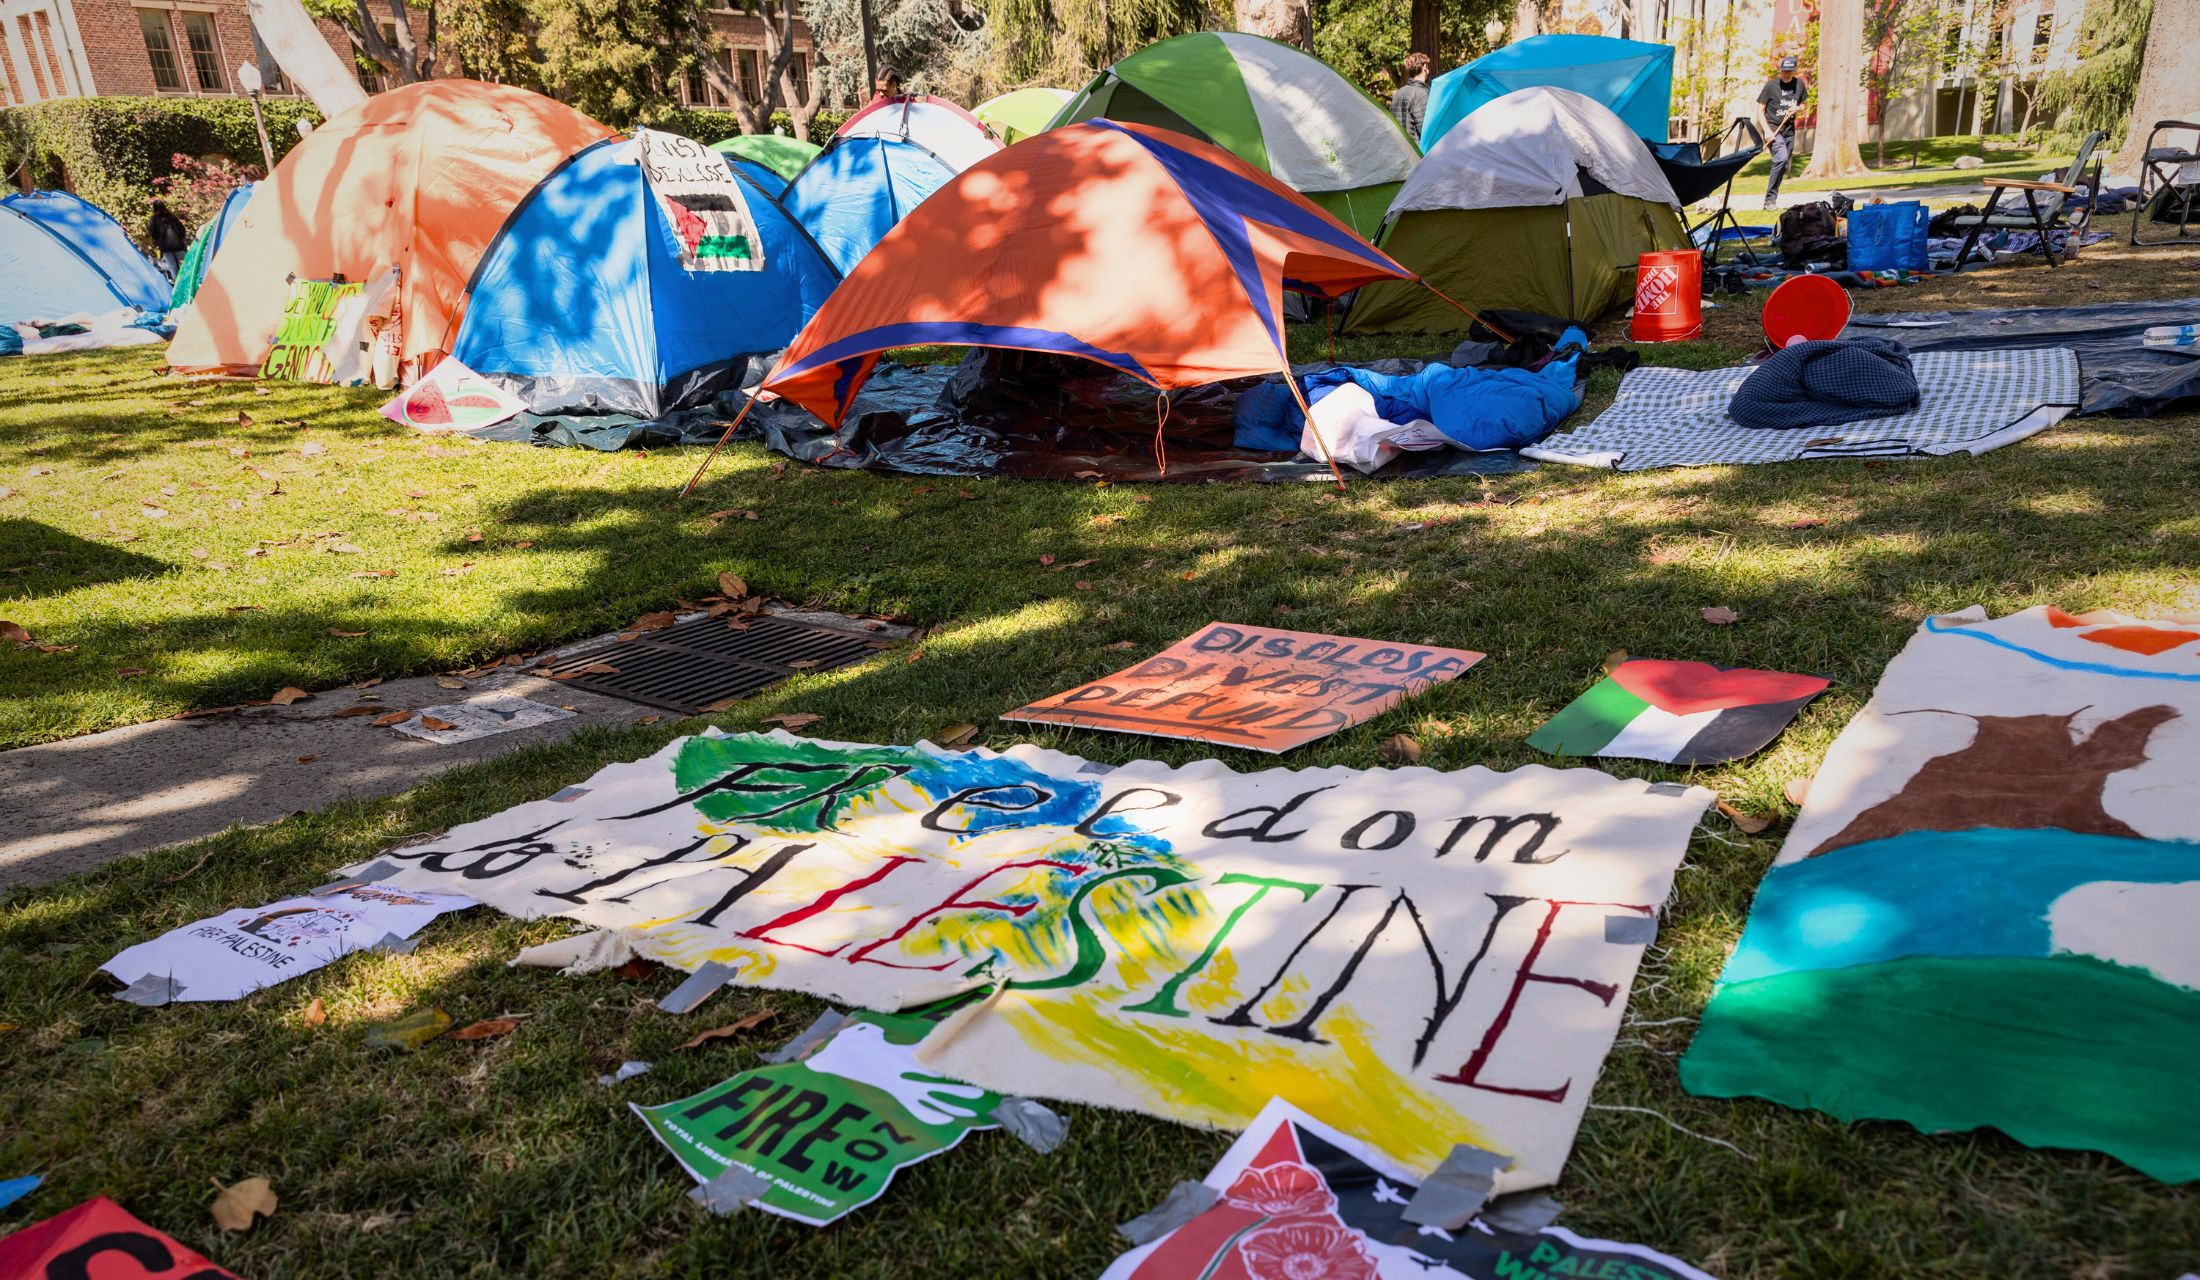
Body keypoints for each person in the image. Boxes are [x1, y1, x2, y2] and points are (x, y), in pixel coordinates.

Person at [1756, 56, 1809, 211]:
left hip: (1789, 130)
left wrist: (1797, 108)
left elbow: (1804, 105)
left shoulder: (1799, 84)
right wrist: (1766, 131)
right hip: (1773, 129)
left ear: (1794, 71)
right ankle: (1770, 200)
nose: (1786, 74)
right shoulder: (1771, 86)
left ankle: (1771, 199)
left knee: (1783, 163)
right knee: (1781, 158)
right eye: (1783, 71)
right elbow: (1760, 110)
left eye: (1789, 71)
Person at [1391, 52, 1431, 141]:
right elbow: (1425, 130)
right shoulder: (1422, 93)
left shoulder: (1398, 93)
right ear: (1424, 68)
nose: (1428, 70)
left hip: (1399, 148)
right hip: (1415, 150)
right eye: (1427, 67)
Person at [147, 200, 188, 280]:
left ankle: (178, 284)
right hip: (178, 244)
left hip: (165, 247)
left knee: (172, 266)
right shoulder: (172, 217)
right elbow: (182, 229)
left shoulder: (153, 220)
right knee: (185, 263)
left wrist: (158, 241)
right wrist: (180, 238)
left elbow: (152, 233)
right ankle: (188, 279)